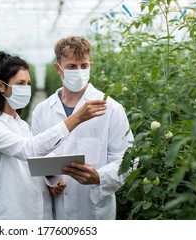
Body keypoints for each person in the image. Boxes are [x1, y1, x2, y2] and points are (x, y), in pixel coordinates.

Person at [0, 51, 107, 220]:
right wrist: (76, 118)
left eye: (28, 83)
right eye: (20, 83)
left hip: (41, 215)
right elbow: (28, 150)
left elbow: (32, 164)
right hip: (13, 216)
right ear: (1, 86)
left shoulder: (21, 125)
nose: (26, 89)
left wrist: (52, 180)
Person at [31, 36, 134, 220]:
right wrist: (50, 182)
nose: (79, 71)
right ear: (58, 68)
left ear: (90, 66)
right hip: (57, 213)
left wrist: (99, 177)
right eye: (71, 66)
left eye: (84, 66)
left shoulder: (111, 108)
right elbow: (35, 158)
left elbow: (128, 160)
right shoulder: (42, 111)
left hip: (95, 213)